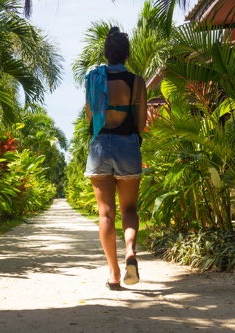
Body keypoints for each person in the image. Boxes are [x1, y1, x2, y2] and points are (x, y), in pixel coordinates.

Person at [84, 26, 147, 290]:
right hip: (127, 145)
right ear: (127, 54)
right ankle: (130, 250)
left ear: (106, 54)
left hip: (100, 146)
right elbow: (141, 123)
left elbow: (90, 119)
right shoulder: (137, 82)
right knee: (129, 210)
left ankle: (113, 273)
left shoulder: (93, 80)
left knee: (106, 214)